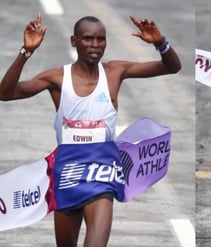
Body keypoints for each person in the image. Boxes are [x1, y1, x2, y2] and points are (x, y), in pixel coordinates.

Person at [0, 13, 181, 247]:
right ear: (74, 41)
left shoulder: (115, 71)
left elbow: (172, 67)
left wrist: (160, 42)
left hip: (102, 172)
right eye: (88, 39)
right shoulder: (57, 77)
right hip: (67, 174)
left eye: (101, 39)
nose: (95, 46)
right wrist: (26, 52)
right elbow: (5, 93)